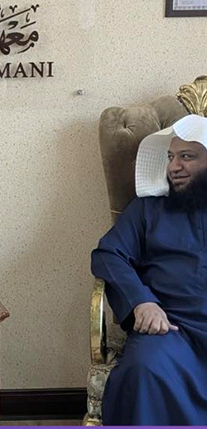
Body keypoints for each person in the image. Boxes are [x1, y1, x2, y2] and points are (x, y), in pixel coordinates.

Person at [92, 113, 207, 425]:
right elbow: (109, 254)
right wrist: (141, 301)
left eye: (187, 157)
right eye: (170, 157)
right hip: (172, 329)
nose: (174, 167)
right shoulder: (148, 209)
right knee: (143, 369)